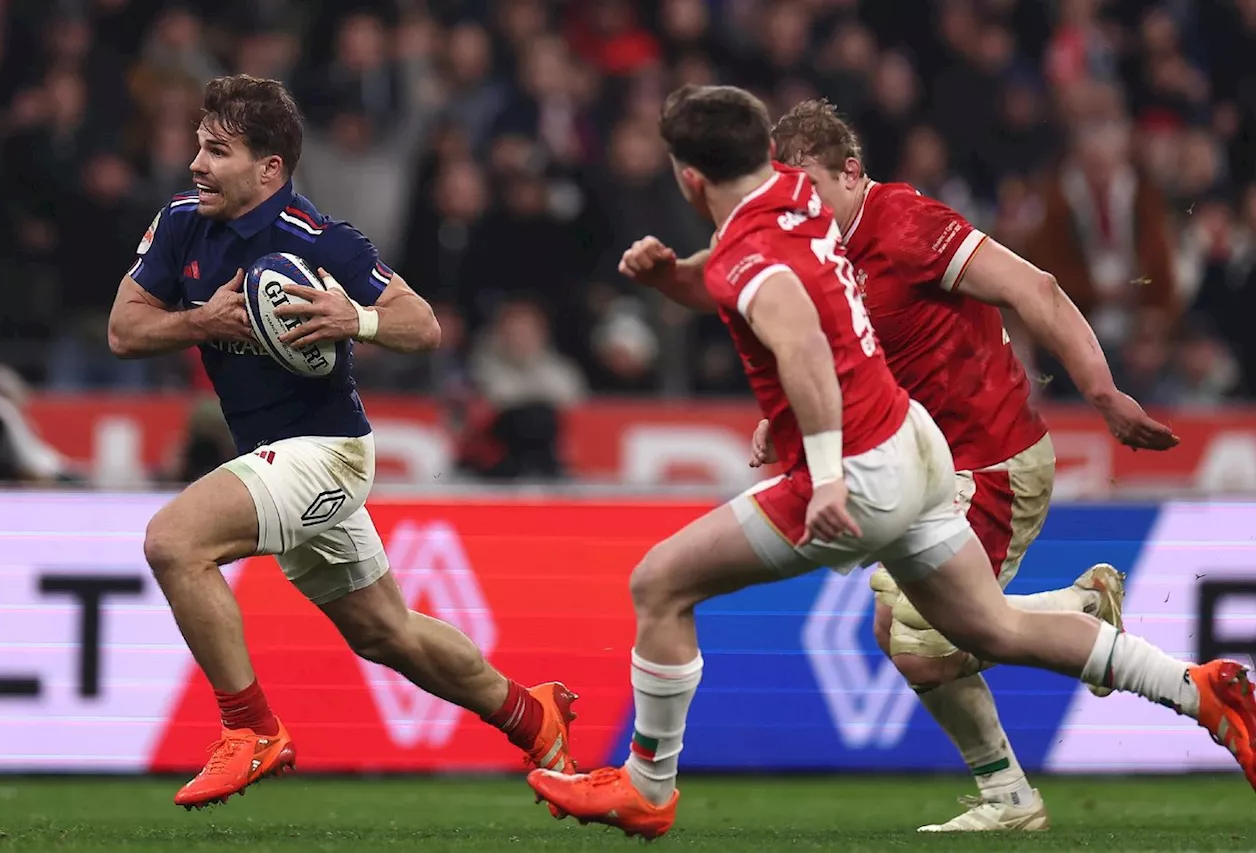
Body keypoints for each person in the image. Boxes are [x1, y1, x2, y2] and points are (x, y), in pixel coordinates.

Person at [526, 84, 1255, 840]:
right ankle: (1198, 689)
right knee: (984, 628)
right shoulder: (794, 208)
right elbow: (774, 307)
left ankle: (648, 784)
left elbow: (804, 340)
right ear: (764, 163)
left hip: (893, 465)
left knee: (662, 583)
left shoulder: (791, 241)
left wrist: (824, 469)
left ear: (688, 179)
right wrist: (672, 279)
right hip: (918, 445)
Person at [107, 75, 577, 809]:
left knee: (174, 541)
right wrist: (204, 321)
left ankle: (249, 728)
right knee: (387, 632)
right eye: (199, 146)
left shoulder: (321, 238)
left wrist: (352, 317)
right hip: (268, 457)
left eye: (217, 151)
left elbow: (423, 325)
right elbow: (123, 330)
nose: (196, 163)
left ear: (270, 170)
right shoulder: (179, 223)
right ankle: (532, 715)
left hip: (327, 451)